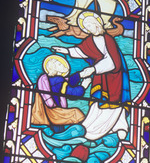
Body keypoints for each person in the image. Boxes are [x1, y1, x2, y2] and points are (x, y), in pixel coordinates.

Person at [52, 11, 131, 141]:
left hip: (114, 77)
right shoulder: (90, 39)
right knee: (97, 101)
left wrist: (93, 69)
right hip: (100, 76)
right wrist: (66, 50)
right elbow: (82, 51)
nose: (89, 28)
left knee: (115, 103)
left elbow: (113, 61)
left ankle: (116, 126)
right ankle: (94, 127)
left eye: (90, 25)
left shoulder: (108, 39)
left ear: (98, 24)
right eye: (86, 27)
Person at [31, 55, 86, 132]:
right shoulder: (58, 80)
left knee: (56, 131)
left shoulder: (50, 80)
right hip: (55, 112)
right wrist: (84, 86)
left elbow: (68, 82)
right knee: (76, 114)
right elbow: (72, 93)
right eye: (59, 64)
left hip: (49, 113)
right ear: (53, 68)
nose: (63, 65)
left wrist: (80, 75)